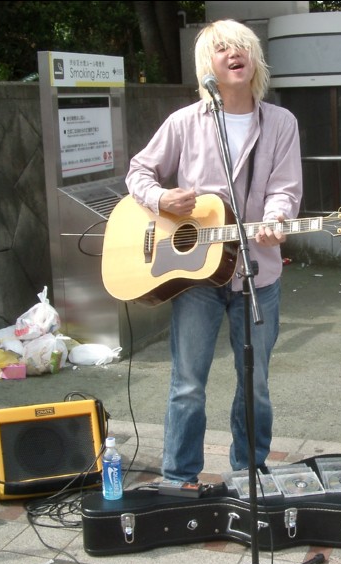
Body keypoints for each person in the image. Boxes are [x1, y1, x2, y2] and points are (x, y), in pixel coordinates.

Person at [125, 20, 303, 483]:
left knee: (255, 384)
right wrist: (161, 199)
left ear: (254, 57)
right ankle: (178, 477)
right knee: (187, 385)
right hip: (195, 277)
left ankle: (249, 474)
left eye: (240, 47)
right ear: (209, 65)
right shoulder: (184, 123)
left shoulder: (281, 123)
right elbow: (139, 172)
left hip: (256, 276)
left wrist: (278, 217)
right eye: (221, 49)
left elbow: (284, 189)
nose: (232, 54)